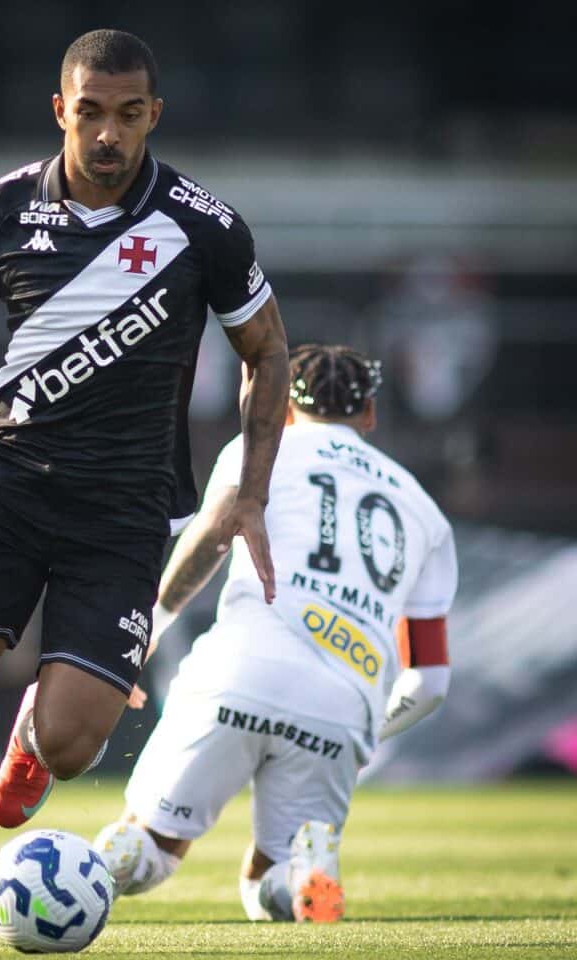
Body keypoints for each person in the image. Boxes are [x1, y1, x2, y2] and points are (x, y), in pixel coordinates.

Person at [0, 28, 288, 948]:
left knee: (74, 746)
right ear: (61, 109)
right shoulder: (1, 212)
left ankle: (34, 736)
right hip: (1, 484)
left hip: (122, 510)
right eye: (92, 112)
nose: (109, 134)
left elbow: (266, 351)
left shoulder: (203, 226)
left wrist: (250, 493)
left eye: (129, 114)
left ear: (153, 114)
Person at [88, 343, 457, 923]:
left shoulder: (258, 452)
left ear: (283, 408)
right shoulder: (427, 514)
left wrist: (149, 628)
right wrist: (365, 727)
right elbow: (431, 681)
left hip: (237, 674)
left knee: (151, 847)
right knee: (268, 890)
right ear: (369, 415)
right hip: (342, 704)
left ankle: (93, 870)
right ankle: (298, 875)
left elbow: (211, 537)